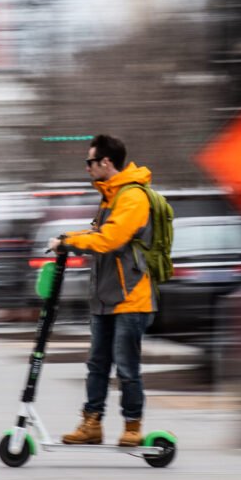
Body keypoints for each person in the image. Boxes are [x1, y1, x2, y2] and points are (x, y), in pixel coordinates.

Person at [48, 134, 157, 447]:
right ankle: (91, 424)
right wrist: (68, 236)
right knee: (97, 364)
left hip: (130, 297)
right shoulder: (110, 195)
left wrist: (71, 243)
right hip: (105, 296)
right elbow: (98, 233)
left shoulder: (133, 196)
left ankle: (132, 426)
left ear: (106, 162)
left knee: (126, 366)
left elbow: (111, 240)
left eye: (90, 162)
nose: (87, 168)